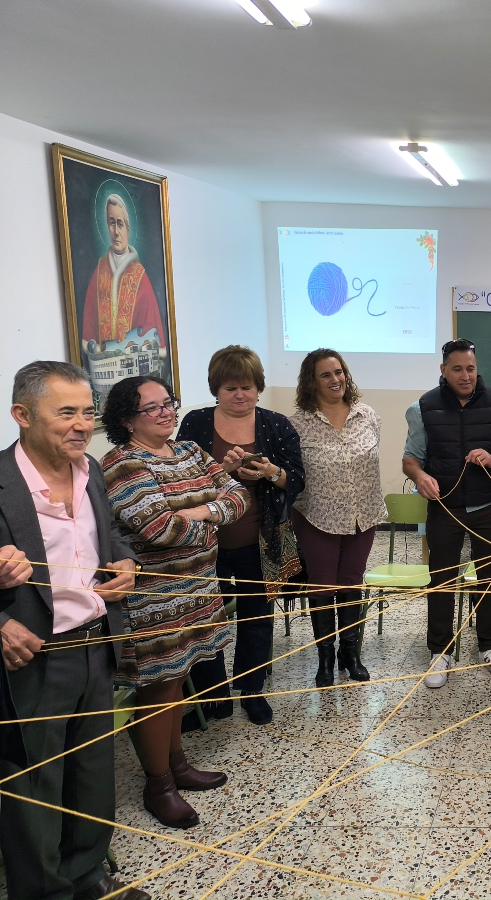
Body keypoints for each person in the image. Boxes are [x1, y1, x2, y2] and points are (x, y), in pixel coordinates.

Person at [0, 361, 147, 900]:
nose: (81, 424)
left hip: (96, 647)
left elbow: (110, 539)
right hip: (35, 658)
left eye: (87, 412)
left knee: (92, 774)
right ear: (22, 415)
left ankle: (87, 878)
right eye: (65, 413)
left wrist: (124, 564)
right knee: (34, 783)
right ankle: (42, 892)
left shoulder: (92, 474)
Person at [102, 375, 248, 830]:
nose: (167, 412)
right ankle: (158, 785)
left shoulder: (187, 451)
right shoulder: (121, 464)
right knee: (158, 686)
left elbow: (238, 496)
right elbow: (157, 530)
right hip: (154, 599)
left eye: (169, 403)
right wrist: (211, 521)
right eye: (154, 408)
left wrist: (199, 512)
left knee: (179, 677)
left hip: (198, 588)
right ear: (126, 419)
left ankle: (178, 765)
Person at [177, 345, 305, 726]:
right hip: (204, 544)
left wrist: (269, 472)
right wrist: (221, 470)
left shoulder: (276, 424)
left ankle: (252, 689)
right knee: (206, 619)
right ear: (216, 388)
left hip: (258, 541)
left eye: (247, 387)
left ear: (259, 387)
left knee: (257, 615)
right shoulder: (196, 422)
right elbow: (181, 481)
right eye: (231, 387)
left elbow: (296, 479)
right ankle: (213, 696)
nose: (239, 395)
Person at [402, 339, 491, 689]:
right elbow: (410, 458)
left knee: (490, 578)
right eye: (457, 369)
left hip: (489, 506)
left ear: (477, 368)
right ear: (444, 371)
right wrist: (420, 475)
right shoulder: (422, 408)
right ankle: (440, 651)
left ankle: (489, 646)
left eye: (470, 368)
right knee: (441, 579)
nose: (465, 375)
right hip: (444, 509)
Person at [290, 349, 386, 688]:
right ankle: (325, 659)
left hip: (364, 513)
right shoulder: (298, 422)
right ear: (311, 382)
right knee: (322, 585)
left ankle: (350, 653)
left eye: (339, 372)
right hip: (317, 516)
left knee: (351, 582)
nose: (336, 379)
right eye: (326, 375)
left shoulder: (367, 415)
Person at [81, 194, 165, 349]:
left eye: (120, 224)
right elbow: (89, 327)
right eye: (111, 223)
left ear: (128, 228)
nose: (116, 232)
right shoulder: (99, 271)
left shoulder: (140, 276)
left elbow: (150, 327)